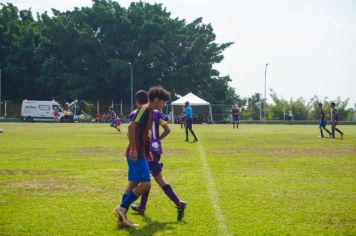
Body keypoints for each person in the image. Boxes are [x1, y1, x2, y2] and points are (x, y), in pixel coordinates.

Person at [113, 87, 172, 228]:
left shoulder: (151, 112)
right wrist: (134, 149)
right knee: (146, 184)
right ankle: (121, 209)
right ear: (156, 100)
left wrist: (148, 150)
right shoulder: (145, 110)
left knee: (133, 184)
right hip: (136, 153)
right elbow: (131, 127)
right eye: (163, 102)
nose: (164, 105)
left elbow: (144, 134)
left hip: (141, 152)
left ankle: (121, 220)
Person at [131, 102, 186, 221]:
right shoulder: (157, 113)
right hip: (157, 149)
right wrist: (158, 139)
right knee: (147, 178)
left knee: (154, 179)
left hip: (147, 149)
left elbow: (134, 131)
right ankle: (142, 207)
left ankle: (178, 203)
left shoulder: (136, 113)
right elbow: (167, 129)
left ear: (137, 102)